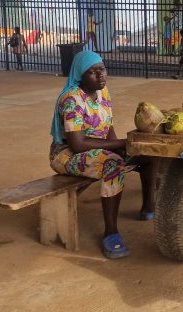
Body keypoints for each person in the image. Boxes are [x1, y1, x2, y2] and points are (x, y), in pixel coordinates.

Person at [49, 51, 158, 259]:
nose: (101, 76)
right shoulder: (72, 99)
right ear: (80, 74)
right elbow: (78, 144)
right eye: (93, 72)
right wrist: (119, 145)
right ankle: (111, 232)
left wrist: (121, 147)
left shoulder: (103, 92)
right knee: (114, 165)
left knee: (146, 153)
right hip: (66, 154)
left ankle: (148, 206)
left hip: (97, 148)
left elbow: (107, 126)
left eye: (102, 69)